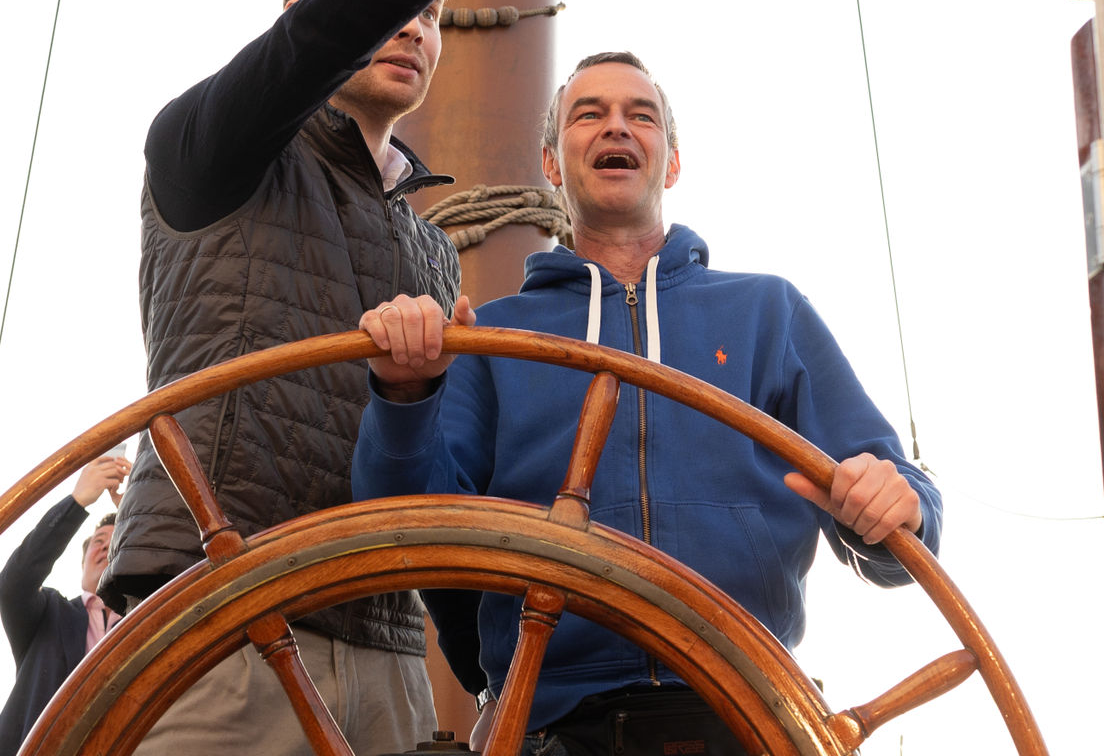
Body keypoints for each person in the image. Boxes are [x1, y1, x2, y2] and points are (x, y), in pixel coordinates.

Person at [102, 0, 711, 756]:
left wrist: (495, 659)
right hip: (215, 615)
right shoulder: (204, 150)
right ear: (305, 23)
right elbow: (326, 28)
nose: (412, 21)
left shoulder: (431, 245)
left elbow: (435, 476)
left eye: (430, 12)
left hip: (379, 644)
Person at [351, 52, 942, 756]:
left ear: (672, 162)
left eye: (641, 115)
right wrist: (405, 392)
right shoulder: (496, 339)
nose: (616, 128)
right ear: (550, 160)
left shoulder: (767, 313)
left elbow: (895, 510)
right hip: (554, 721)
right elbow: (407, 528)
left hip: (749, 706)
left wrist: (901, 504)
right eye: (589, 114)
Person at [0, 452, 131, 756]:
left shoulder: (153, 617)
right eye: (98, 540)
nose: (105, 546)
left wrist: (137, 517)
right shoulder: (49, 614)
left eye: (116, 541)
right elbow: (12, 584)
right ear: (84, 560)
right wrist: (77, 502)